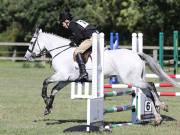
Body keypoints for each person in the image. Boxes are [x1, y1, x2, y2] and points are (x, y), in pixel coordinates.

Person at [59, 9, 98, 81]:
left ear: (66, 21)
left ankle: (83, 73)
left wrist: (73, 42)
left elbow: (80, 37)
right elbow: (81, 36)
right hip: (96, 36)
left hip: (93, 38)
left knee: (77, 51)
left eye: (62, 23)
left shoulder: (71, 24)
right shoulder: (76, 22)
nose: (63, 25)